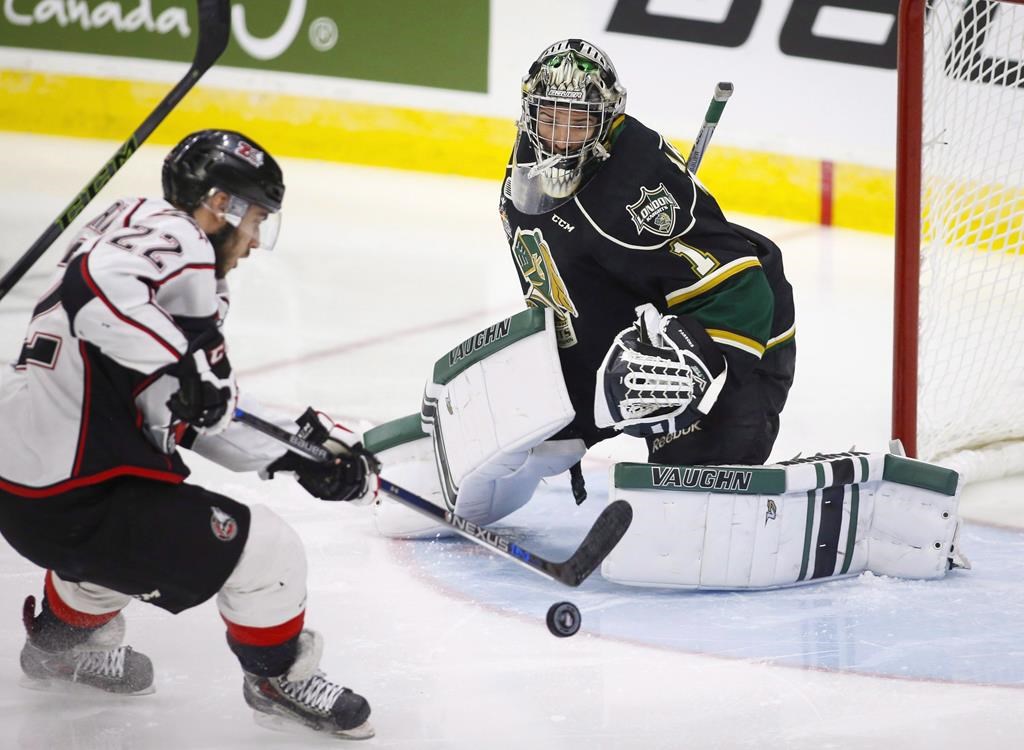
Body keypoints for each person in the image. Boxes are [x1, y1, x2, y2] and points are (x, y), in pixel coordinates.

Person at [0, 130, 376, 740]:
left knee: (115, 549)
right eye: (255, 218)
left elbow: (187, 413)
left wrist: (301, 454)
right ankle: (277, 679)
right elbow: (93, 290)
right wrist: (186, 362)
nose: (255, 241)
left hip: (36, 494)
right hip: (79, 493)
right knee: (269, 552)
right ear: (219, 205)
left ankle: (60, 643)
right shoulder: (181, 242)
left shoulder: (135, 232)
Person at [499, 38, 796, 474]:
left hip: (742, 325)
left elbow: (740, 287)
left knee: (695, 464)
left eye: (578, 121)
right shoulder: (529, 156)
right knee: (533, 432)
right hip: (624, 313)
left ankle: (707, 453)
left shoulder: (635, 186)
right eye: (549, 117)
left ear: (606, 121)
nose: (560, 139)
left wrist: (690, 367)